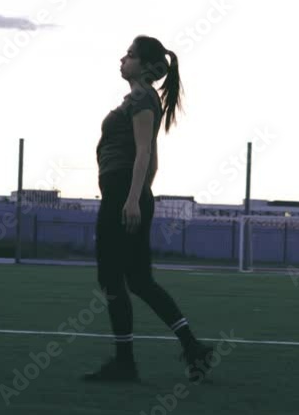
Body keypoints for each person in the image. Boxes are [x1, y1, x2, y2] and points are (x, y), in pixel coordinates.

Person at [83, 35, 214, 383]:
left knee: (112, 278)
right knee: (138, 280)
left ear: (143, 65)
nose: (122, 59)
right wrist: (141, 194)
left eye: (128, 55)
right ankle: (192, 347)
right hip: (129, 194)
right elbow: (152, 159)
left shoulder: (142, 99)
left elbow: (142, 153)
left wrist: (131, 199)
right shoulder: (140, 99)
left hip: (122, 196)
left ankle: (126, 363)